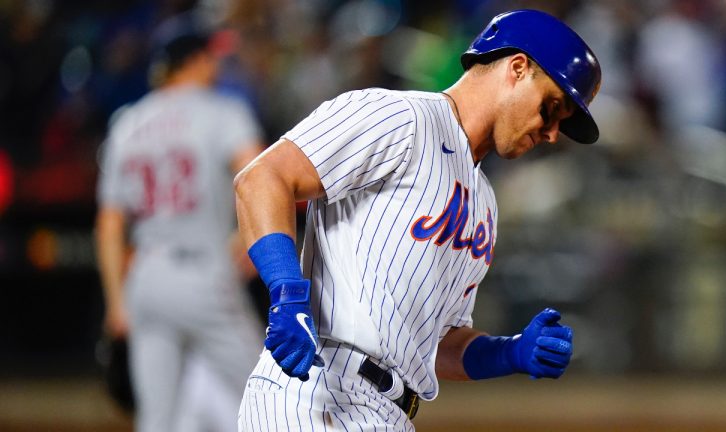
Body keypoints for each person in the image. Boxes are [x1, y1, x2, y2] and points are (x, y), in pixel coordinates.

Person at [234, 9, 601, 431]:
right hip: (317, 389)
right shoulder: (400, 117)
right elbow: (262, 178)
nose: (553, 132)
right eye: (551, 108)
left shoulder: (483, 202)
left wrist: (510, 352)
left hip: (389, 411)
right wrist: (286, 294)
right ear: (517, 68)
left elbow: (436, 343)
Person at [95, 20, 267, 432]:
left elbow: (109, 223)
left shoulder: (128, 122)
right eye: (210, 56)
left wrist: (117, 301)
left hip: (145, 278)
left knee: (157, 419)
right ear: (192, 61)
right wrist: (251, 238)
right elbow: (260, 179)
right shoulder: (222, 111)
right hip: (202, 272)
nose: (216, 65)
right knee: (272, 393)